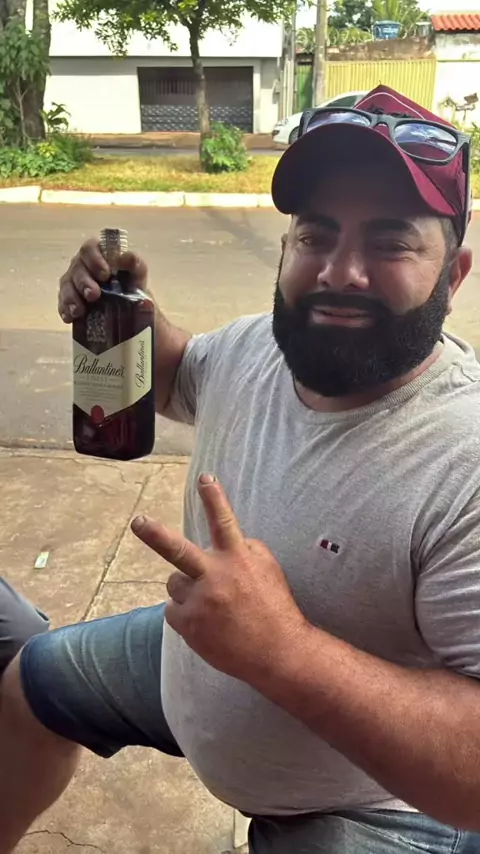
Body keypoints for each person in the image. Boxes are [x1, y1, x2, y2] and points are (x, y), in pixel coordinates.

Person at [1, 83, 480, 853]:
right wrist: (123, 311)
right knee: (27, 687)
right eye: (316, 235)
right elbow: (178, 375)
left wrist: (281, 651)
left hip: (373, 804)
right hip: (196, 657)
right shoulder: (259, 345)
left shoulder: (465, 458)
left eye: (389, 242)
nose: (340, 272)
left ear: (452, 275)